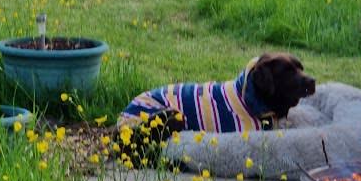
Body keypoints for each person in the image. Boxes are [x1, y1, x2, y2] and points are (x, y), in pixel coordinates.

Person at [113, 53, 315, 164]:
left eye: (299, 71)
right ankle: (132, 145)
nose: (303, 78)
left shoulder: (255, 109)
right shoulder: (238, 115)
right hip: (147, 109)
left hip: (152, 109)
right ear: (265, 83)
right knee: (172, 119)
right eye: (290, 73)